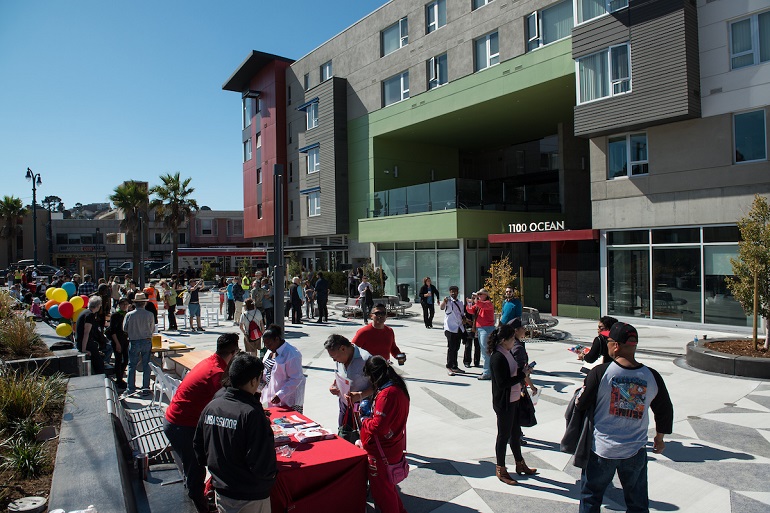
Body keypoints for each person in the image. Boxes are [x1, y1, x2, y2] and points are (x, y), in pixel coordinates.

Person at [576, 322, 674, 513]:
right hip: (635, 449)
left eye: (609, 341)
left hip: (602, 449)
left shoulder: (601, 373)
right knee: (637, 502)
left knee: (591, 497)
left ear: (616, 345)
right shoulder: (651, 376)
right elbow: (664, 409)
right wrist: (660, 438)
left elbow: (581, 404)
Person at [165, 333, 241, 513]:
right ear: (233, 353)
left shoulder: (212, 362)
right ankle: (199, 508)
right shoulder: (216, 372)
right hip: (182, 426)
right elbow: (226, 404)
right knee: (196, 473)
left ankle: (199, 500)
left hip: (178, 421)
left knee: (194, 470)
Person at [193, 352, 277, 513]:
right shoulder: (251, 413)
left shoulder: (212, 406)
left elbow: (199, 447)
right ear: (254, 381)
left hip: (222, 490)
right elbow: (262, 464)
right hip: (249, 496)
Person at [357, 355, 410, 513]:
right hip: (392, 445)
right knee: (389, 489)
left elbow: (378, 427)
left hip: (381, 452)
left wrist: (364, 418)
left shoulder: (387, 394)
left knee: (383, 494)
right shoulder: (398, 387)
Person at [489, 321, 537, 486]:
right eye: (511, 339)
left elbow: (513, 373)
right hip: (504, 402)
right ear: (504, 340)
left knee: (515, 434)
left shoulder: (507, 352)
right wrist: (521, 375)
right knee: (504, 436)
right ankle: (500, 468)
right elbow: (503, 383)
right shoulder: (497, 356)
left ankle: (520, 463)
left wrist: (523, 373)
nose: (513, 342)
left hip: (514, 399)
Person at [325, 334, 373, 442]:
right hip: (344, 405)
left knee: (362, 441)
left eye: (335, 357)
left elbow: (377, 386)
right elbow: (340, 375)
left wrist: (360, 395)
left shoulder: (366, 359)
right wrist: (334, 386)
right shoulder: (340, 359)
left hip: (362, 409)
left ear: (343, 348)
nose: (335, 361)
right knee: (344, 436)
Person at [261, 324, 306, 412]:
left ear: (277, 339)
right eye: (265, 345)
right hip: (272, 397)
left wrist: (281, 394)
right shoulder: (270, 351)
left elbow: (296, 378)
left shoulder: (292, 354)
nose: (267, 347)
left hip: (288, 399)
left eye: (269, 344)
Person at [122, 292, 155, 395]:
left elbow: (124, 328)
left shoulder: (129, 315)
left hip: (134, 340)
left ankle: (130, 388)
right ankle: (145, 388)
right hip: (146, 340)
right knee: (146, 365)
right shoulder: (150, 314)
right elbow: (152, 328)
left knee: (132, 365)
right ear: (144, 303)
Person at [466, 288, 495, 380]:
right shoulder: (479, 304)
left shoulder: (488, 303)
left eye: (481, 294)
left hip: (486, 329)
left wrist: (475, 300)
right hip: (480, 329)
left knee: (486, 351)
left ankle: (487, 372)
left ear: (486, 295)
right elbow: (470, 310)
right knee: (484, 350)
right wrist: (470, 302)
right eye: (479, 294)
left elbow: (481, 304)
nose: (479, 296)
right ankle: (488, 370)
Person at [75, 296, 107, 375]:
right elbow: (86, 333)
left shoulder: (84, 312)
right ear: (98, 306)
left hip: (81, 342)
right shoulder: (90, 315)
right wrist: (84, 349)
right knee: (99, 365)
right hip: (85, 344)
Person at [440, 285, 466, 376]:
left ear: (457, 292)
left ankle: (455, 366)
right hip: (450, 328)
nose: (453, 293)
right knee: (451, 348)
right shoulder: (448, 302)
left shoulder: (460, 303)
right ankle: (449, 366)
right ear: (449, 292)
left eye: (455, 291)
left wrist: (464, 320)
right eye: (451, 291)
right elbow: (442, 307)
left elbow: (462, 314)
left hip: (458, 328)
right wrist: (444, 302)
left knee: (456, 347)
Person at [107, 297, 131, 389]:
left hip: (125, 339)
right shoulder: (115, 315)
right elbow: (112, 330)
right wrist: (117, 343)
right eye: (123, 304)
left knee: (125, 359)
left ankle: (120, 376)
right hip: (117, 339)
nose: (124, 306)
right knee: (118, 359)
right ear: (119, 305)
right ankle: (119, 379)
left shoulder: (128, 314)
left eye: (126, 304)